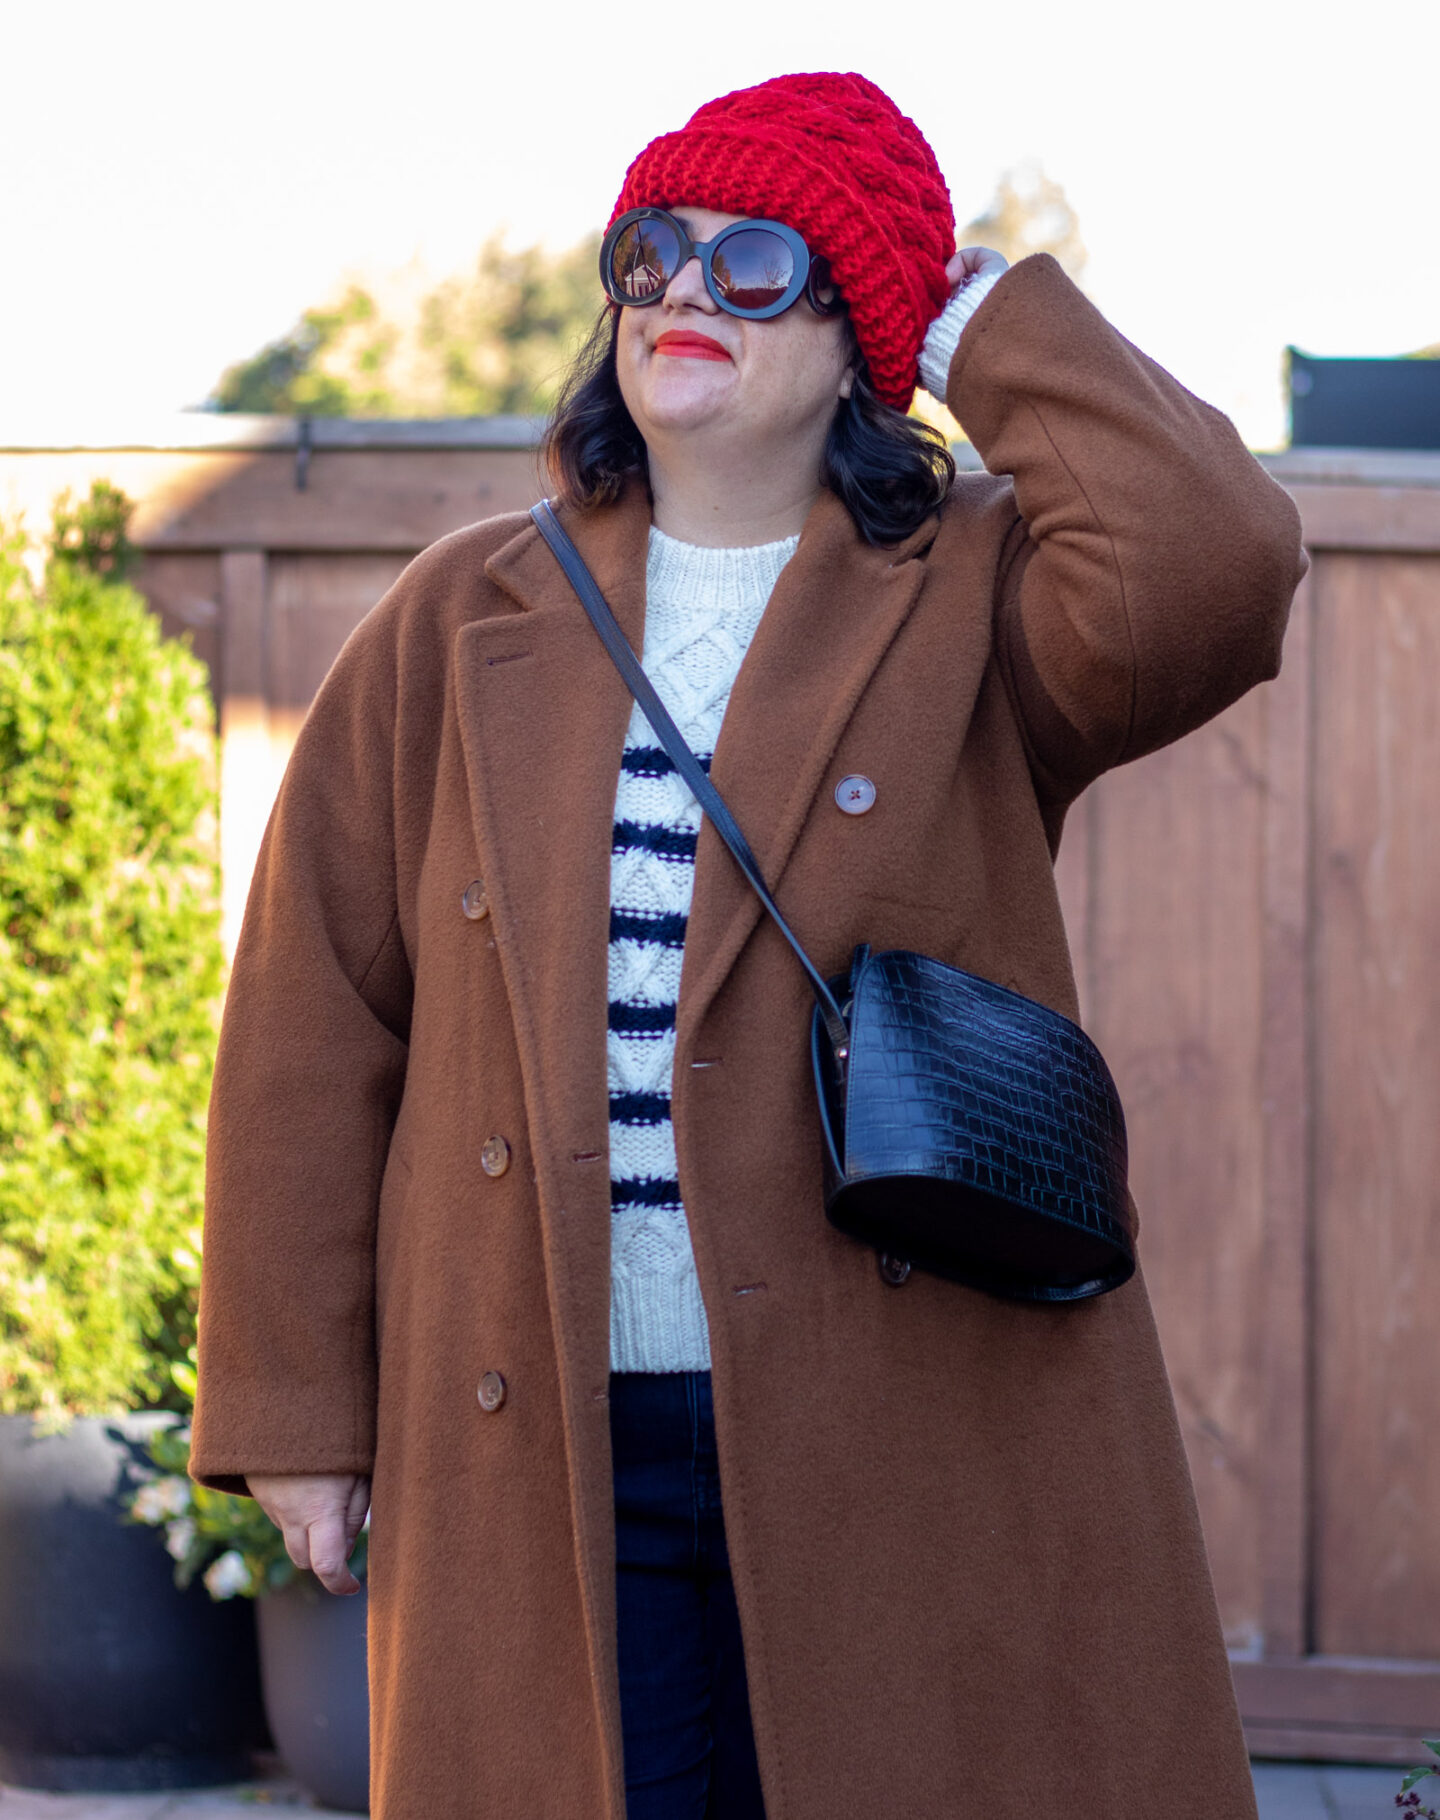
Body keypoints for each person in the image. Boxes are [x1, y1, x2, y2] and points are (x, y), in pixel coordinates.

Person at [190, 71, 1308, 1820]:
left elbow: (1219, 569)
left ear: (866, 328)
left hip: (897, 1420)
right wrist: (299, 1412)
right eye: (653, 252)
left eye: (760, 259)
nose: (686, 293)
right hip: (532, 1424)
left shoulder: (979, 599)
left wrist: (990, 313)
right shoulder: (457, 615)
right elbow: (309, 1030)